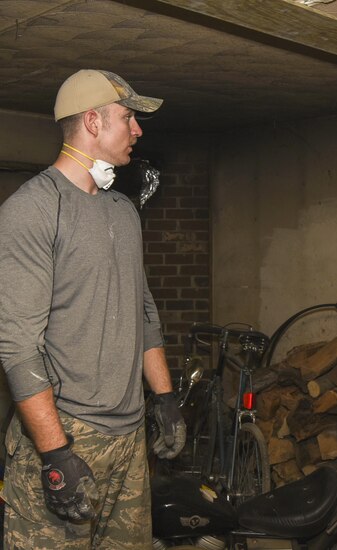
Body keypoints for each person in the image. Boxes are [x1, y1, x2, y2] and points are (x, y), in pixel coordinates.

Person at [0, 69, 186, 548]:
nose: (138, 130)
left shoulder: (123, 211)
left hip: (128, 439)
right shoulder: (32, 210)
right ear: (93, 122)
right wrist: (55, 454)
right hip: (69, 436)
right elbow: (19, 347)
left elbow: (143, 311)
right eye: (128, 118)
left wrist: (164, 399)